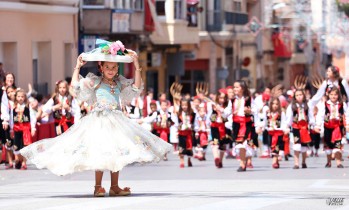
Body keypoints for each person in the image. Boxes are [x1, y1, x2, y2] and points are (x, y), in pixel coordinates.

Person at [20, 40, 172, 197]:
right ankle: (97, 186)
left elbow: (136, 87)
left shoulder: (120, 82)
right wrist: (78, 66)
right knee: (100, 151)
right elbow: (75, 87)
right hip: (99, 120)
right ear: (101, 68)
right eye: (107, 67)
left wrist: (136, 65)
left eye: (113, 67)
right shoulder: (95, 81)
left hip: (117, 120)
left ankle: (114, 186)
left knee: (116, 151)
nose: (111, 70)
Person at [9, 89, 36, 170]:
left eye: (22, 96)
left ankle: (24, 162)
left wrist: (33, 128)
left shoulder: (28, 107)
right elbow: (11, 119)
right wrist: (11, 130)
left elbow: (32, 117)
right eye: (18, 96)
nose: (20, 98)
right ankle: (18, 160)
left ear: (25, 98)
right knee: (17, 146)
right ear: (16, 97)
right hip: (17, 129)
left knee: (25, 146)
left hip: (26, 129)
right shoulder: (13, 108)